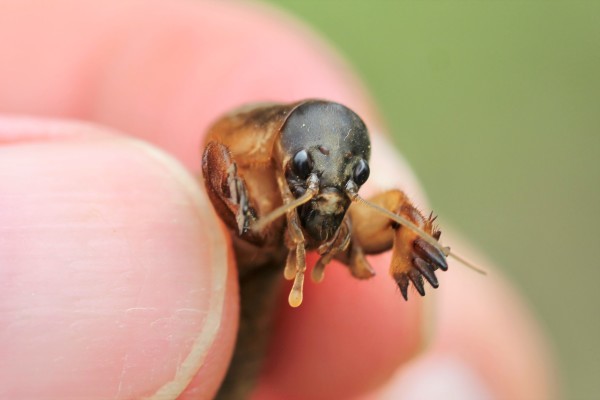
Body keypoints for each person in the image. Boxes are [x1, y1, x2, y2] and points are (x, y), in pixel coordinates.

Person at [0, 1, 557, 399]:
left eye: (354, 180)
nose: (333, 204)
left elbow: (395, 214)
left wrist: (413, 239)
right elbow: (215, 147)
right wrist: (246, 215)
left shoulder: (339, 190)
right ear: (281, 158)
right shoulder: (251, 154)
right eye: (303, 174)